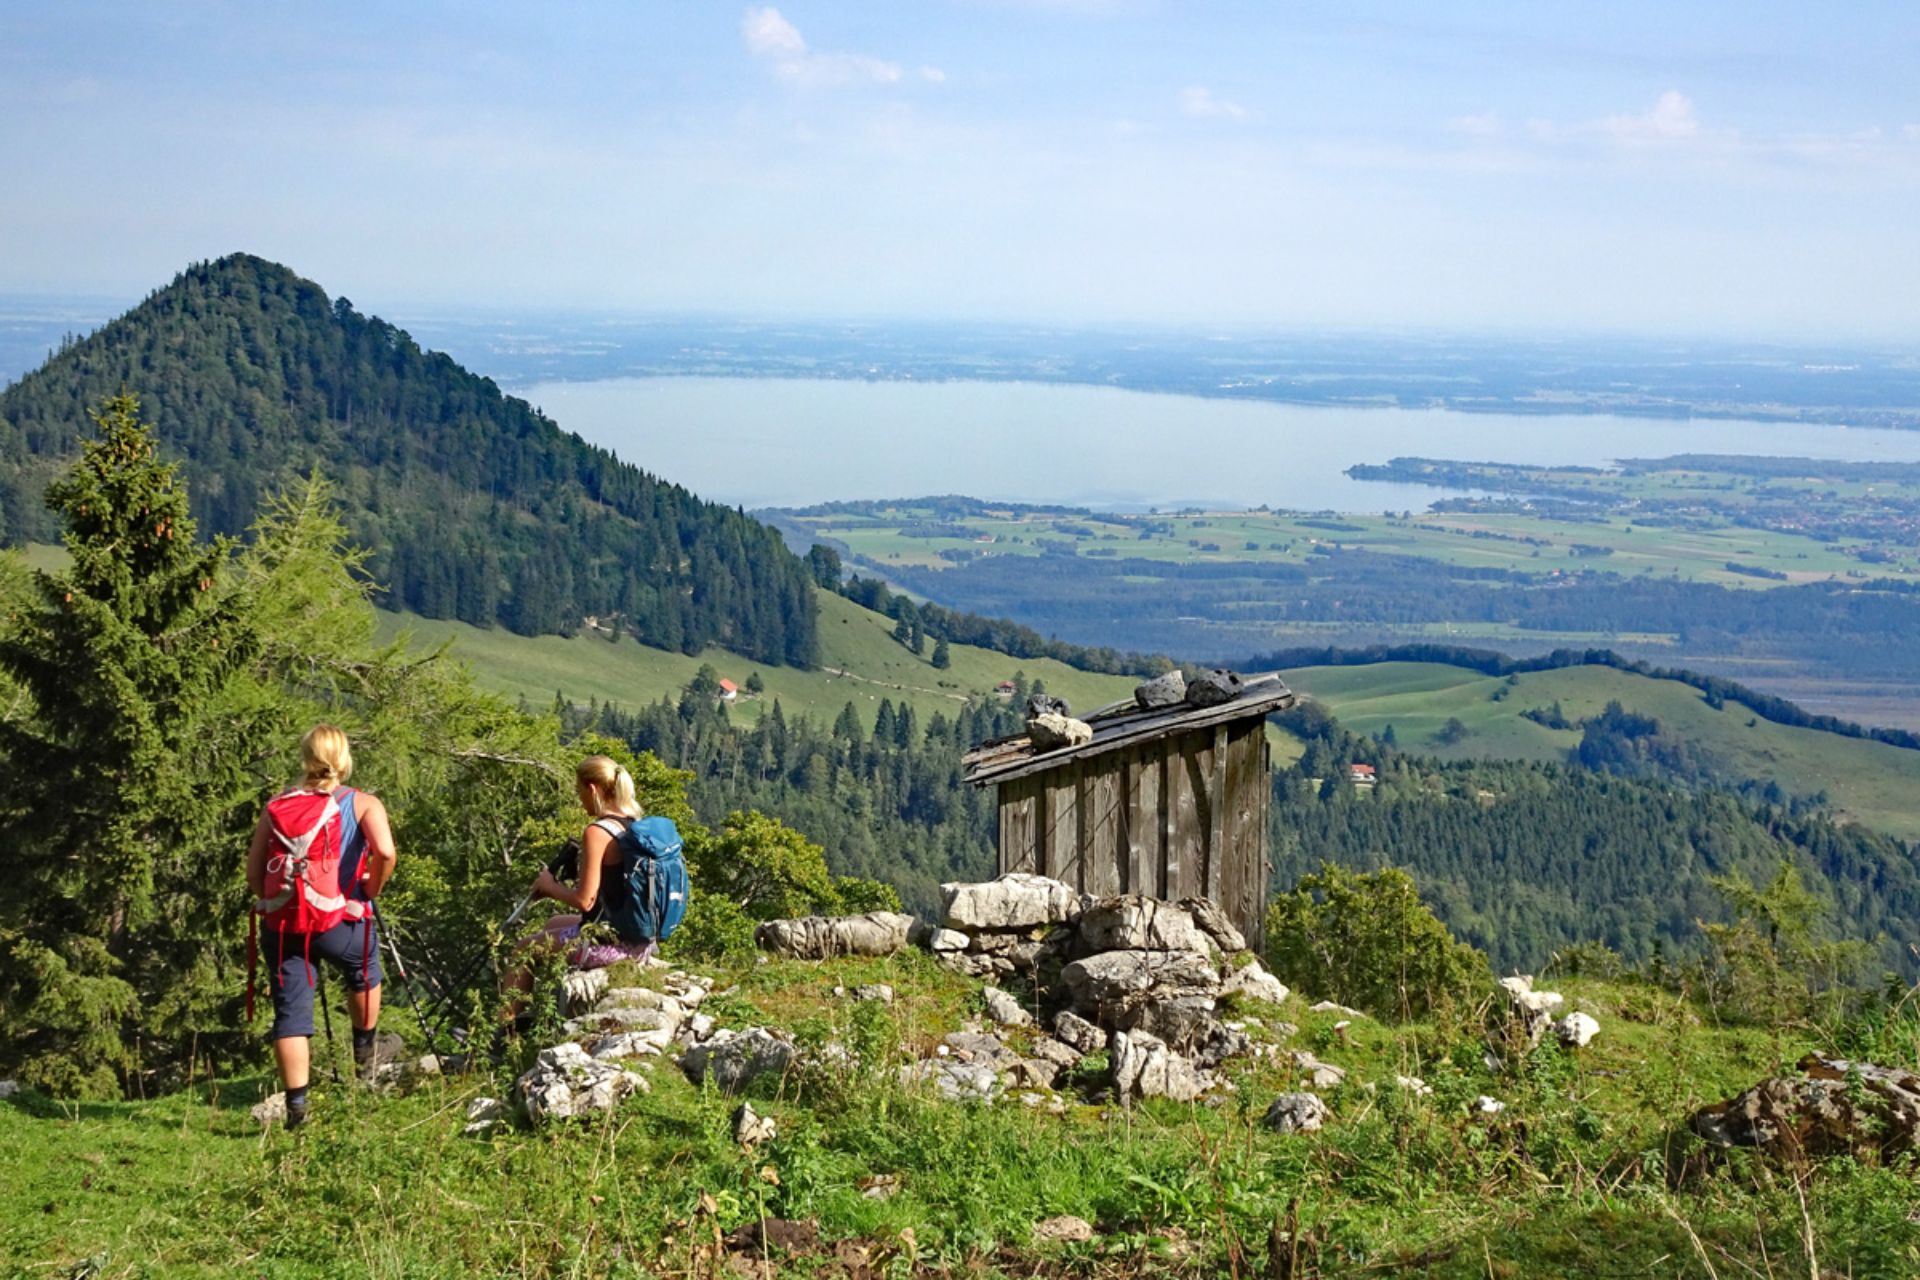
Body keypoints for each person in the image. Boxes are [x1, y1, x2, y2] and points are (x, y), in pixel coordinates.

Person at [246, 724, 401, 1127]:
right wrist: (370, 888)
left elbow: (254, 868)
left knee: (291, 1013)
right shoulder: (364, 803)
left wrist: (280, 901)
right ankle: (364, 1062)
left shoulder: (279, 805)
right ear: (344, 759)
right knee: (364, 969)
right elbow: (384, 851)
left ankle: (297, 1111)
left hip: (284, 925)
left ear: (306, 758)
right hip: (338, 921)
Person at [519, 756, 661, 974]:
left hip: (611, 945)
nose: (579, 798)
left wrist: (549, 887)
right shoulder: (632, 824)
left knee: (522, 950)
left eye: (579, 791)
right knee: (552, 924)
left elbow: (584, 901)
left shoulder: (597, 832)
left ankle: (510, 1009)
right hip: (639, 939)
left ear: (592, 789)